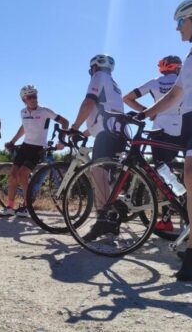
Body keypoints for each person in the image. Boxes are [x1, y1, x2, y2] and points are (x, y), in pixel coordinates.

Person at [138, 0, 192, 280]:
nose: (177, 29)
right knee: (185, 177)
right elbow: (176, 93)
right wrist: (144, 113)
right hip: (191, 117)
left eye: (179, 22)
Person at [123, 55, 182, 231]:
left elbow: (127, 98)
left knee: (162, 173)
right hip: (184, 128)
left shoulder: (155, 82)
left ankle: (166, 219)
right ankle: (189, 210)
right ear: (178, 67)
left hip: (160, 130)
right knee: (188, 170)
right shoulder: (183, 80)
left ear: (162, 68)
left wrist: (148, 112)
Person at [70, 54, 125, 241]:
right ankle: (112, 218)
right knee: (108, 179)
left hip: (107, 132)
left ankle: (102, 220)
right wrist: (85, 133)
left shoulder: (98, 77)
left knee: (97, 172)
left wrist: (75, 127)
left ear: (93, 68)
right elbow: (101, 114)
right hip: (119, 132)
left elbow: (89, 103)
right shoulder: (113, 83)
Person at [0, 85, 68, 217]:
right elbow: (24, 128)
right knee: (13, 175)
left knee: (23, 175)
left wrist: (61, 141)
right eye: (29, 97)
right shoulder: (22, 112)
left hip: (38, 148)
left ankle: (27, 207)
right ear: (24, 99)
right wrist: (12, 141)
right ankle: (10, 208)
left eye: (34, 96)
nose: (33, 99)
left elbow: (65, 122)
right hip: (25, 146)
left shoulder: (45, 111)